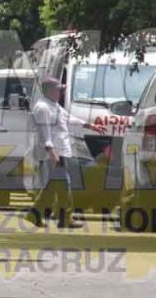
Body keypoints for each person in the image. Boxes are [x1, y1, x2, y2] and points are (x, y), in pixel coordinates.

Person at [29, 78, 105, 228]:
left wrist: (89, 125)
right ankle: (65, 218)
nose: (60, 93)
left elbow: (68, 118)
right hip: (54, 153)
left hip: (61, 151)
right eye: (58, 90)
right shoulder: (43, 108)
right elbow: (45, 134)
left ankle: (34, 214)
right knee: (64, 186)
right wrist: (52, 153)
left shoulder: (54, 106)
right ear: (50, 90)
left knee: (52, 188)